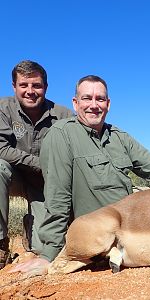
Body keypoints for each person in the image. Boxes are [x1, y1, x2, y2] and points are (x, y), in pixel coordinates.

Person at [10, 75, 150, 275]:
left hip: (128, 227)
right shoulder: (61, 134)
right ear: (75, 104)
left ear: (108, 104)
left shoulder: (119, 137)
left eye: (100, 99)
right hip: (95, 234)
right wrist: (48, 255)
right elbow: (58, 197)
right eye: (87, 98)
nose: (94, 105)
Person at [0, 60, 73, 269]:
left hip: (45, 184)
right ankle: (0, 243)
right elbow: (0, 148)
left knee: (43, 247)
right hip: (13, 176)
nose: (30, 91)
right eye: (24, 85)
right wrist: (42, 164)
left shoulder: (64, 115)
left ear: (46, 87)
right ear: (14, 86)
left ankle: (29, 231)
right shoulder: (2, 109)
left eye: (36, 85)